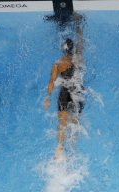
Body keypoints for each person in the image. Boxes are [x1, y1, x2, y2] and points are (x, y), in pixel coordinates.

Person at [44, 14, 84, 160]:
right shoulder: (79, 57)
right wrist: (79, 23)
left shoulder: (58, 63)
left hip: (65, 91)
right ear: (73, 49)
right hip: (78, 90)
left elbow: (51, 82)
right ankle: (72, 148)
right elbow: (81, 40)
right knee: (75, 120)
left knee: (62, 120)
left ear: (63, 50)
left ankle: (60, 148)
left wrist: (47, 99)